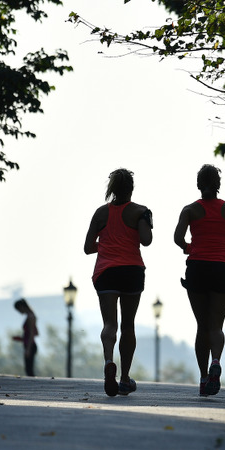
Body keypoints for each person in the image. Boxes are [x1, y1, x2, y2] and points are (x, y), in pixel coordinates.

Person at [174, 164, 225, 396]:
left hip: (197, 268)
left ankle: (203, 378)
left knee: (202, 326)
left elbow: (178, 238)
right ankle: (215, 361)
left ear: (198, 184)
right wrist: (224, 246)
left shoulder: (189, 210)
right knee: (216, 326)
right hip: (222, 268)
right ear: (218, 185)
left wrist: (191, 247)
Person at [84, 168, 153, 396]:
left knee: (109, 324)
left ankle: (107, 362)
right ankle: (124, 378)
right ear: (131, 188)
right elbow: (146, 241)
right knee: (128, 325)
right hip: (132, 270)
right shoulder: (141, 211)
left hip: (106, 272)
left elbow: (87, 248)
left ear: (111, 188)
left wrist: (105, 244)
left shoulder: (100, 213)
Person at [12, 299, 38, 377]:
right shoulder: (30, 315)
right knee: (28, 369)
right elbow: (36, 333)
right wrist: (21, 338)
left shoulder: (30, 316)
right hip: (29, 345)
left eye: (18, 309)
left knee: (29, 370)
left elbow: (32, 334)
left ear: (22, 307)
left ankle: (34, 386)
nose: (19, 312)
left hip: (30, 346)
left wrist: (28, 349)